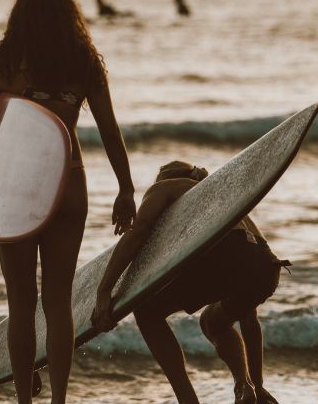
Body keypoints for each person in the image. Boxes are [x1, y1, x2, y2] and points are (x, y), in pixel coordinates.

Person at [0, 0, 136, 404]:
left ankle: (25, 402)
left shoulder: (4, 62)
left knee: (21, 304)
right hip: (69, 184)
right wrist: (126, 188)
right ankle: (60, 400)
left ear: (21, 16)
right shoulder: (84, 63)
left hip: (17, 190)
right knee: (57, 301)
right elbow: (110, 131)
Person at [93, 161, 287, 404]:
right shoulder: (227, 201)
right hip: (267, 266)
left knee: (146, 310)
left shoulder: (165, 188)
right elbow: (250, 320)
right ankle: (245, 386)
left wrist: (104, 290)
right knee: (213, 322)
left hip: (228, 254)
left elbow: (139, 231)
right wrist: (259, 386)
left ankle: (187, 400)